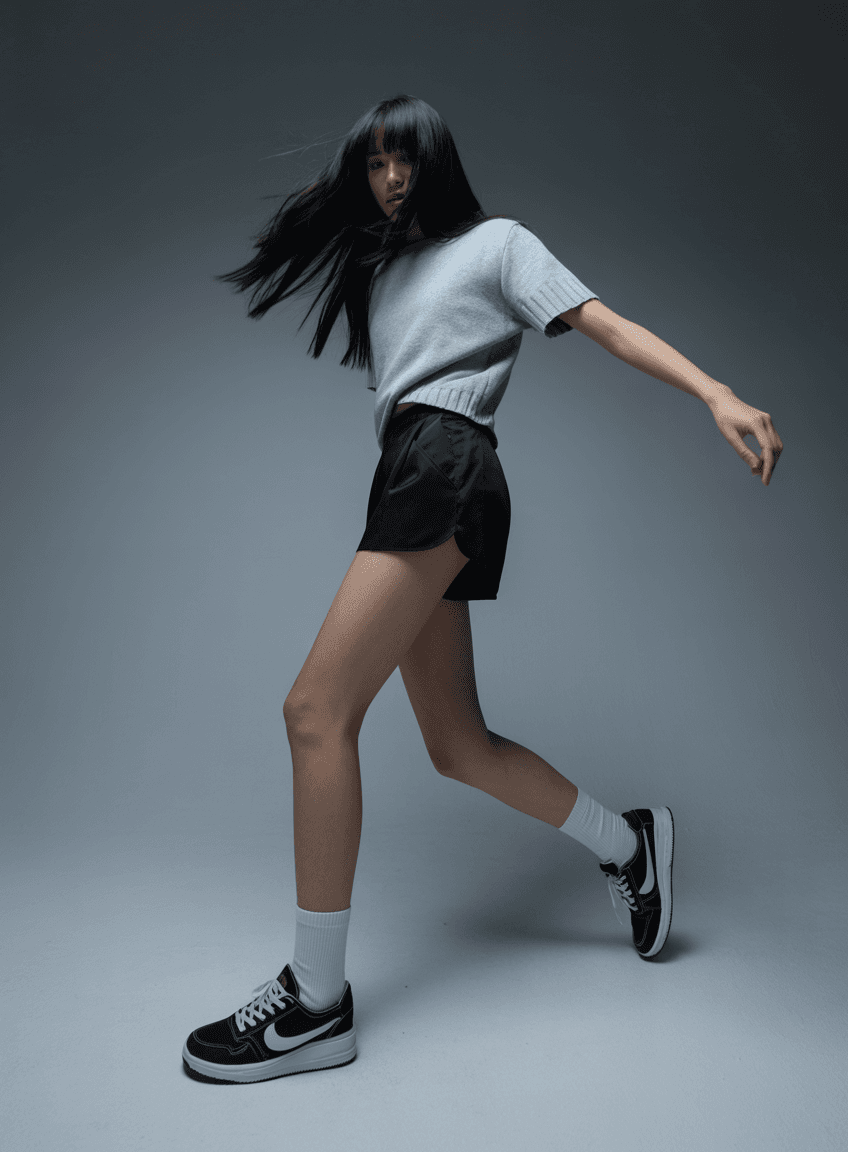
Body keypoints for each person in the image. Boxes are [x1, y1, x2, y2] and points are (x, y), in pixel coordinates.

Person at [182, 95, 783, 1085]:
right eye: (370, 164)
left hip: (447, 469)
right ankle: (627, 845)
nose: (387, 178)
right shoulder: (382, 271)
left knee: (313, 713)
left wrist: (715, 391)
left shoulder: (499, 244)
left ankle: (316, 1002)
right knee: (457, 747)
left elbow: (608, 324)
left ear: (436, 158)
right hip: (411, 473)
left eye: (401, 158)